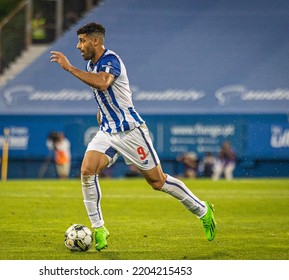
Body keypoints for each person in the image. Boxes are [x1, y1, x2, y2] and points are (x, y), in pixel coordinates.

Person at [50, 22, 217, 251]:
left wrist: (68, 68)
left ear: (95, 41)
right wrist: (104, 113)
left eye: (82, 41)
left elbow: (103, 82)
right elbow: (106, 93)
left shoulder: (111, 60)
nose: (78, 46)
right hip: (108, 131)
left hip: (131, 132)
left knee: (158, 182)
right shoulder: (91, 63)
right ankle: (99, 228)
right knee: (87, 171)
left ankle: (202, 210)